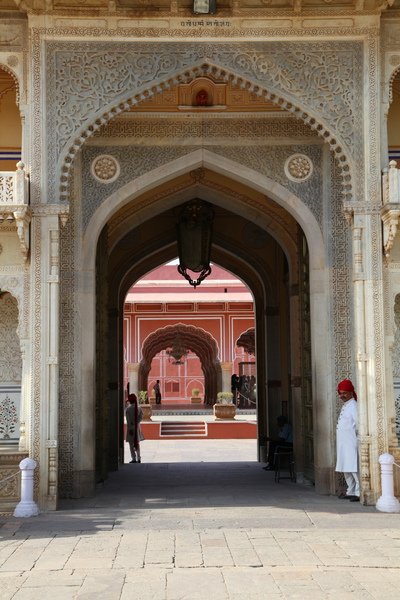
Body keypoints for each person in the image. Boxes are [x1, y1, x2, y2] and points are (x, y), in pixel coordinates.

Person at [336, 379, 359, 501]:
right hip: (343, 444)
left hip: (351, 442)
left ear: (351, 392)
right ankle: (350, 491)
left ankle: (359, 492)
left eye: (344, 393)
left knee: (354, 468)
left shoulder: (354, 406)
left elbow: (359, 425)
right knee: (346, 468)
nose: (342, 396)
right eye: (340, 393)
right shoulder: (346, 406)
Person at [125, 393, 144, 463]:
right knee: (137, 443)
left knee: (131, 444)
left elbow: (128, 421)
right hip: (137, 428)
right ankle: (139, 458)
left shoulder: (128, 409)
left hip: (131, 428)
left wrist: (130, 427)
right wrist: (137, 422)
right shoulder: (139, 408)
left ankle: (134, 458)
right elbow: (141, 417)